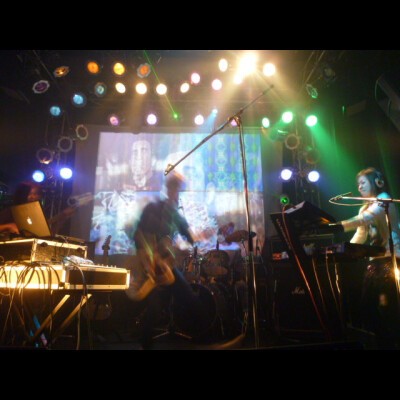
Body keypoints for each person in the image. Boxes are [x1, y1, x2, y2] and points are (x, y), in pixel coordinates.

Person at [130, 171, 209, 349]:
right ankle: (203, 338)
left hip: (165, 267)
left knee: (178, 300)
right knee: (175, 301)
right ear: (169, 187)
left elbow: (189, 237)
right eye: (175, 187)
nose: (177, 192)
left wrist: (202, 236)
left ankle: (202, 338)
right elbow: (139, 235)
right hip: (152, 266)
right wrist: (149, 260)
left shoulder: (176, 214)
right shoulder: (153, 208)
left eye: (179, 188)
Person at [334, 167, 400, 348]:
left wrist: (339, 226)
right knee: (367, 307)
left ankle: (391, 343)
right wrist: (343, 250)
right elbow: (361, 234)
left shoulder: (384, 198)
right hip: (375, 262)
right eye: (358, 184)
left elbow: (365, 219)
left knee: (387, 306)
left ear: (377, 182)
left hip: (391, 258)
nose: (360, 187)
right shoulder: (364, 207)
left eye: (363, 182)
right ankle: (383, 343)